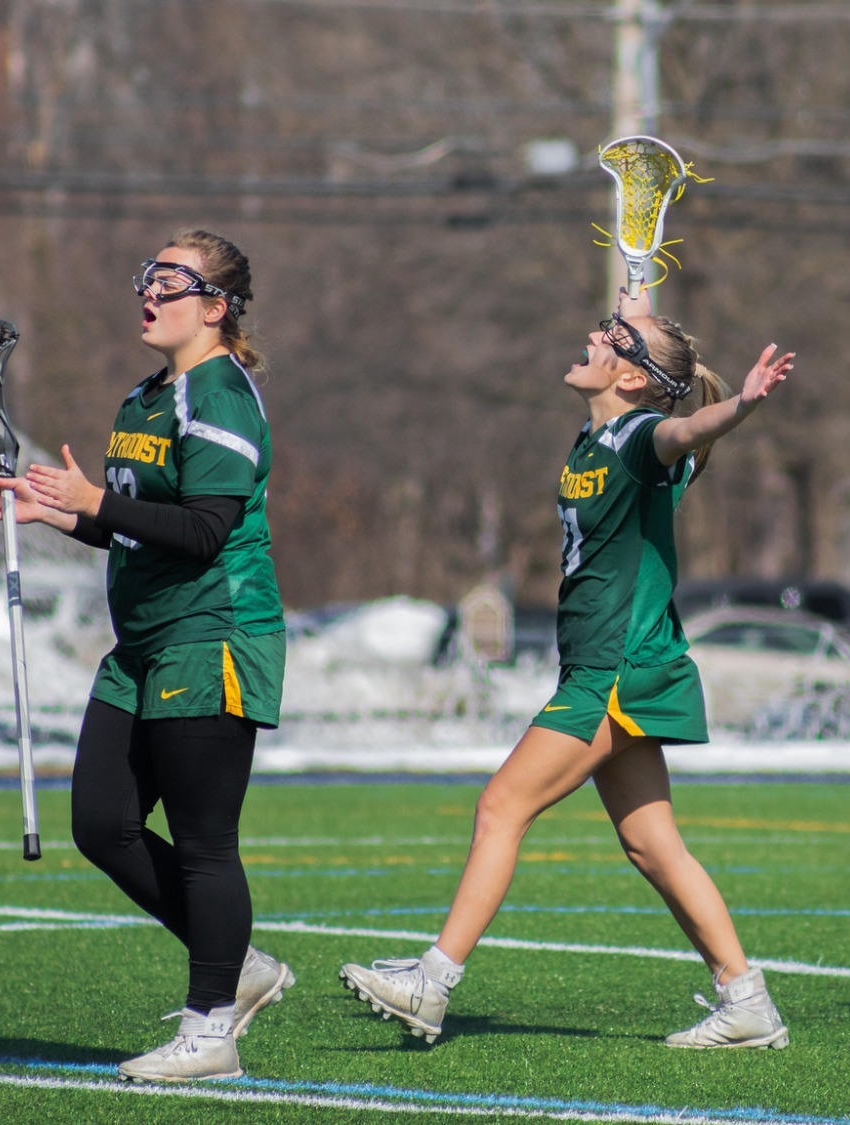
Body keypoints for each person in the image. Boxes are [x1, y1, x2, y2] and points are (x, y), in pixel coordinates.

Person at [339, 288, 796, 1050]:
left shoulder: (642, 435)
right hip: (605, 664)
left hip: (616, 669)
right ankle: (746, 999)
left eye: (613, 336)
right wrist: (638, 310)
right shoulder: (597, 439)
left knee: (500, 806)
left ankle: (433, 981)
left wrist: (741, 406)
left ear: (634, 378)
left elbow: (686, 425)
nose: (592, 333)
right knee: (654, 845)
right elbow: (661, 394)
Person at [0, 229, 294, 1081]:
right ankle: (241, 965)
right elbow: (134, 527)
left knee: (203, 842)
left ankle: (210, 1028)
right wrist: (58, 514)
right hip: (143, 642)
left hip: (214, 635)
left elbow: (203, 529)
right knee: (100, 822)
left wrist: (91, 500)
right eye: (147, 277)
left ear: (216, 307)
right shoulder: (146, 397)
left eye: (172, 282)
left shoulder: (220, 394)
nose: (149, 293)